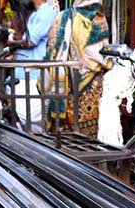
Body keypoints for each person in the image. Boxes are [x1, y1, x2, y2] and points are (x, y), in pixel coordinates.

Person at [44, 0, 111, 137]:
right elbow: (103, 53)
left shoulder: (64, 17)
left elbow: (51, 50)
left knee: (64, 140)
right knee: (91, 139)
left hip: (65, 85)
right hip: (93, 87)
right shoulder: (100, 19)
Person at [6, 0, 56, 130]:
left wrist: (11, 40)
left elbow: (31, 41)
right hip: (24, 72)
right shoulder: (36, 13)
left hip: (32, 74)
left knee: (31, 120)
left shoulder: (46, 12)